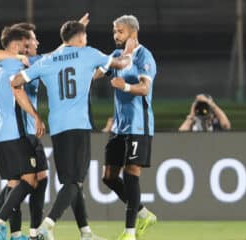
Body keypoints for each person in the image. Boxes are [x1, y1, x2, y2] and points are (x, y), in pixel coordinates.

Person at [10, 20, 134, 240]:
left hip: (57, 129)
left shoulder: (48, 59)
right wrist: (130, 53)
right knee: (75, 182)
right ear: (80, 38)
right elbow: (120, 64)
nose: (86, 40)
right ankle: (47, 226)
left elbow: (17, 81)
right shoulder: (87, 53)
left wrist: (34, 114)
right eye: (85, 36)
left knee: (71, 182)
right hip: (78, 126)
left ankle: (85, 233)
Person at [0, 22, 49, 240]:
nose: (29, 45)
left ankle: (14, 234)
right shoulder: (13, 65)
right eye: (26, 41)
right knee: (30, 180)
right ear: (16, 45)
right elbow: (17, 91)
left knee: (14, 184)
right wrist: (35, 115)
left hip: (0, 133)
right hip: (17, 132)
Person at [96, 15, 157, 240]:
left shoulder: (144, 56)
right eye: (114, 31)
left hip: (139, 125)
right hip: (119, 127)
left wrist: (126, 86)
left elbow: (144, 88)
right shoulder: (116, 56)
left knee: (131, 174)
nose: (115, 36)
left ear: (133, 32)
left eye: (119, 32)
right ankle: (143, 213)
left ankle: (129, 232)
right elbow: (96, 74)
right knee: (109, 177)